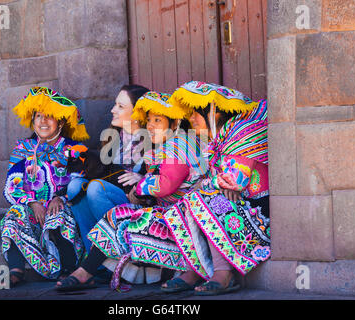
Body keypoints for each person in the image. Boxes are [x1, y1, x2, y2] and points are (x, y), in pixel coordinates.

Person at [55, 91, 207, 292]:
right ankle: (89, 270)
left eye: (158, 120)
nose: (150, 126)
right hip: (168, 214)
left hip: (181, 222)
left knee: (120, 215)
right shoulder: (165, 146)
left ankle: (87, 271)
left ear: (174, 123)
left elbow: (166, 185)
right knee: (114, 212)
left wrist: (141, 185)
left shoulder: (179, 145)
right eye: (149, 120)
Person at [160, 81, 269, 295]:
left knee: (204, 198)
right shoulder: (219, 141)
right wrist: (214, 184)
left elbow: (233, 181)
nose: (191, 119)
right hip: (239, 206)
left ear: (213, 112)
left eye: (195, 114)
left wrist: (214, 184)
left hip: (259, 213)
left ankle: (223, 273)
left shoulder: (242, 132)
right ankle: (196, 269)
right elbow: (221, 183)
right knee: (186, 204)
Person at [0, 87, 90, 286]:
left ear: (60, 121)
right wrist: (31, 203)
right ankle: (16, 268)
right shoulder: (23, 148)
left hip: (63, 207)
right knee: (14, 214)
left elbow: (81, 182)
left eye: (49, 117)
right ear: (33, 120)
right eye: (39, 116)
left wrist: (60, 198)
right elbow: (11, 186)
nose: (42, 121)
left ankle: (69, 268)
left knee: (59, 214)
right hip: (33, 210)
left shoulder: (73, 149)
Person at [67, 84, 150, 253]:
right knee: (75, 187)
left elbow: (164, 175)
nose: (113, 110)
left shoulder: (153, 139)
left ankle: (117, 251)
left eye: (120, 106)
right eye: (115, 104)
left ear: (137, 113)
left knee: (96, 188)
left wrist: (143, 180)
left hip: (137, 203)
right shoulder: (112, 140)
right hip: (110, 197)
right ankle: (96, 261)